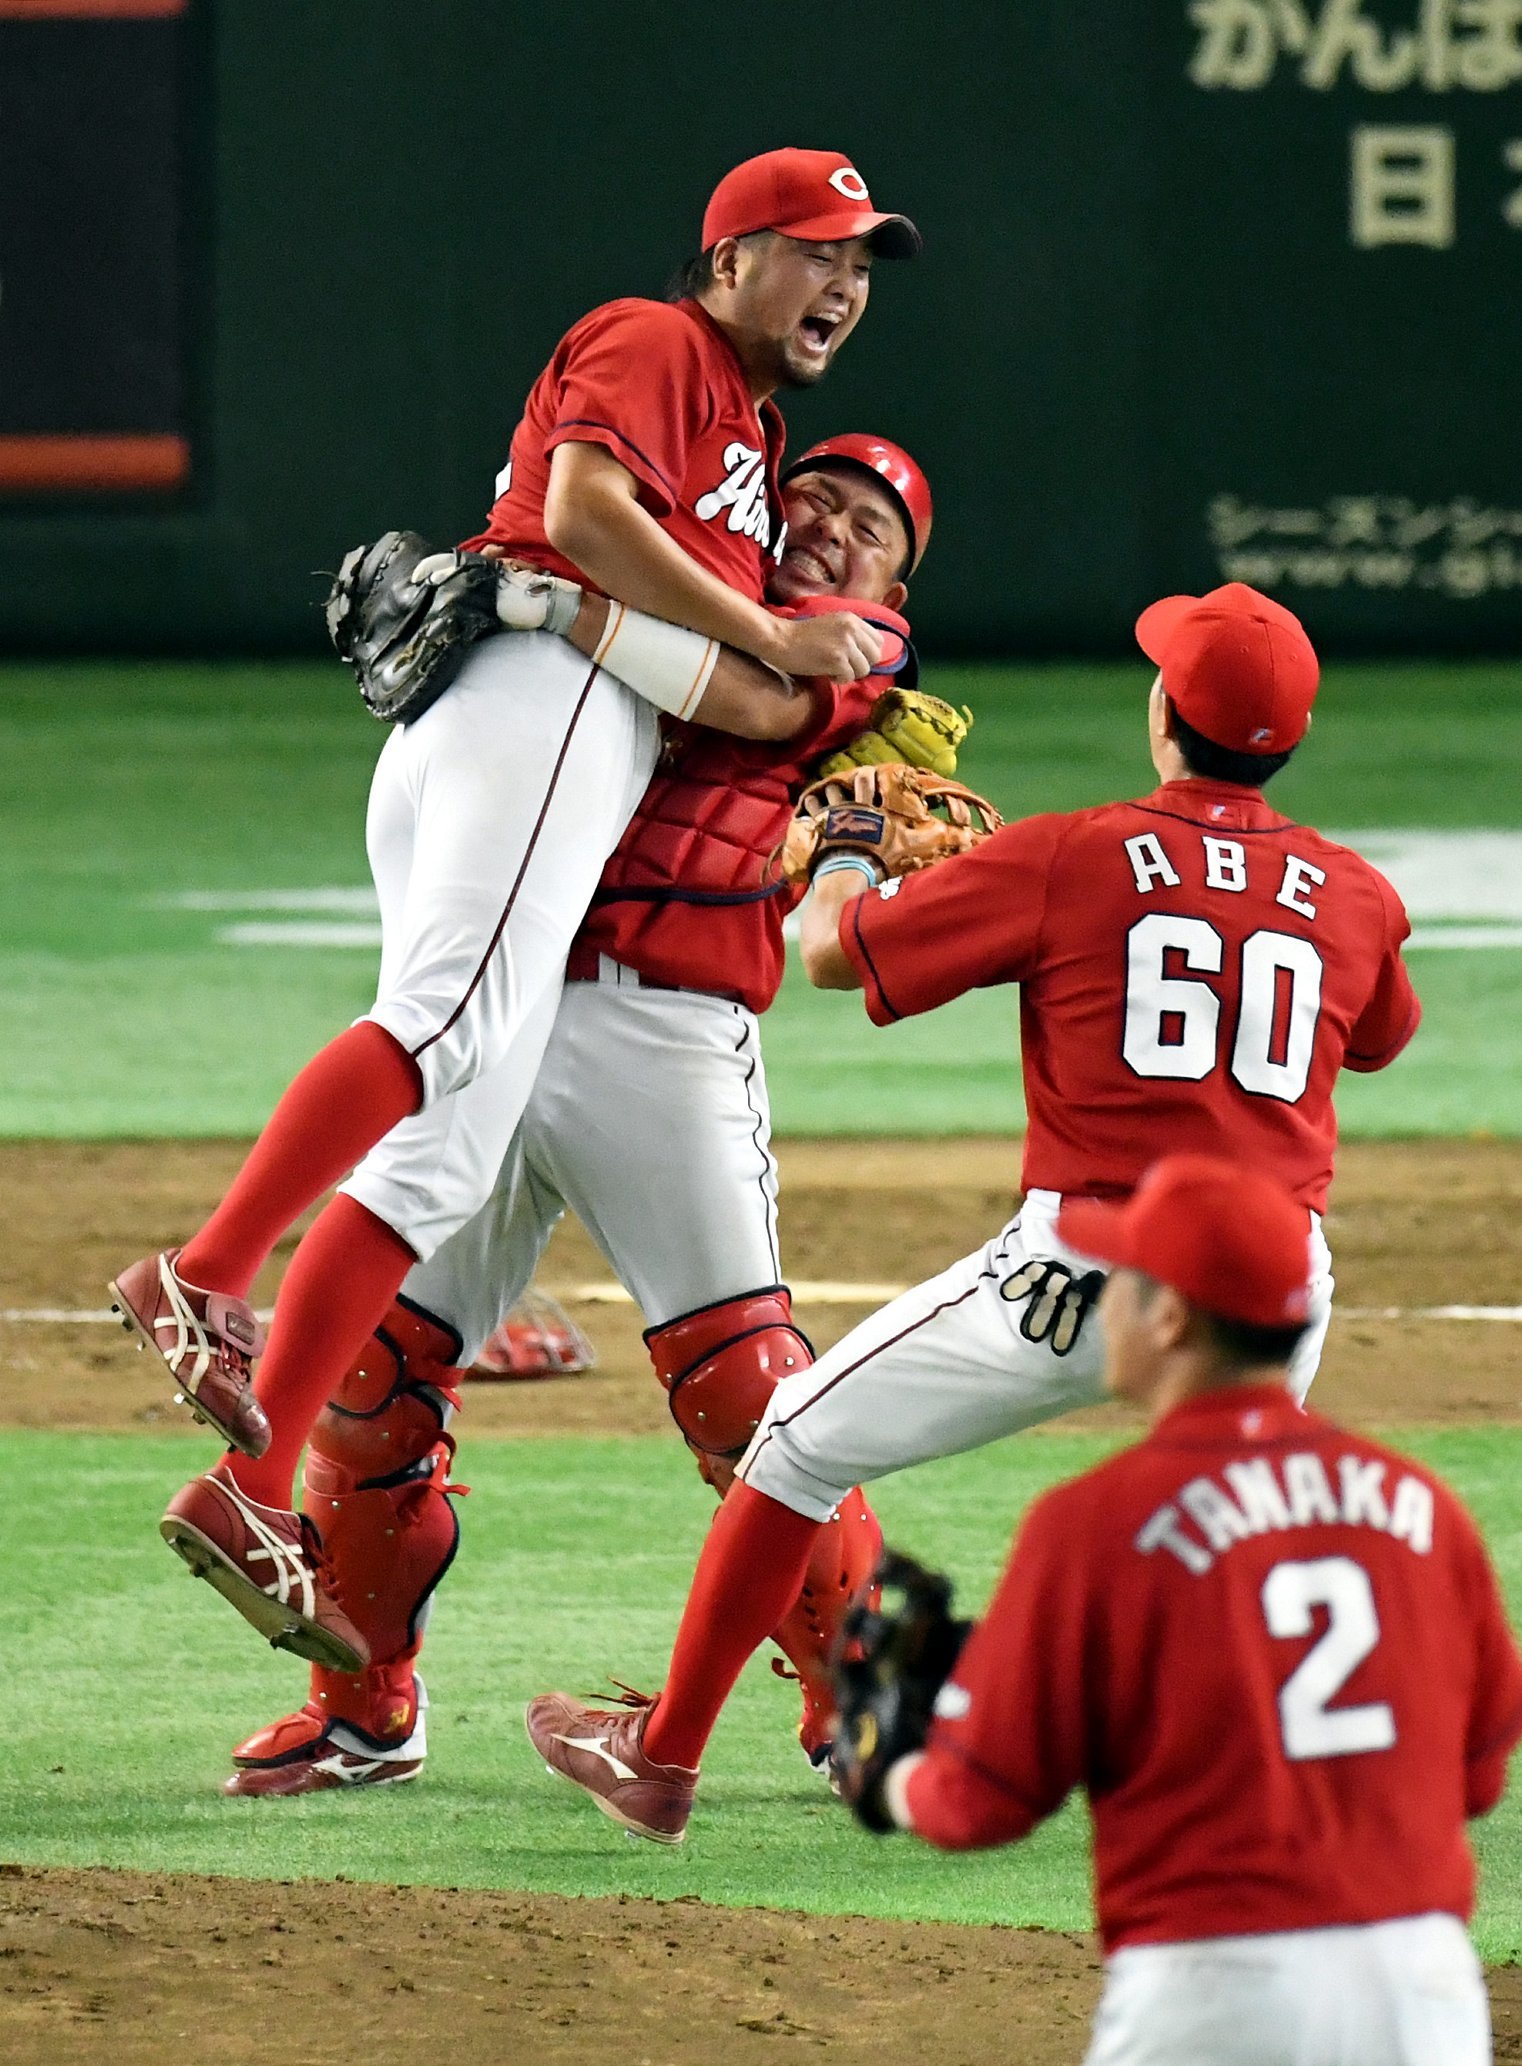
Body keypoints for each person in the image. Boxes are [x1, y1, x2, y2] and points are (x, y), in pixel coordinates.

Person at [109, 149, 919, 1668]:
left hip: (644, 967)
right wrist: (602, 602)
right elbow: (585, 509)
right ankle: (205, 1275)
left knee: (436, 1156)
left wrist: (580, 602)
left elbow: (745, 683)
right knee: (438, 1028)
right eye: (815, 253)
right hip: (535, 733)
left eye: (861, 268)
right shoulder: (664, 344)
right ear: (728, 258)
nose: (843, 286)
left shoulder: (801, 538)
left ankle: (250, 1482)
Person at [527, 579, 1425, 1844]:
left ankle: (660, 1755)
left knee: (788, 1445)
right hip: (1278, 1291)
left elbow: (835, 953)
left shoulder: (1072, 852)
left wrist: (839, 847)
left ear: (1163, 712)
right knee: (1238, 1512)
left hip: (1084, 1273)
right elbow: (1381, 1035)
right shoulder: (1356, 893)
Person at [223, 435, 940, 1794]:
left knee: (749, 1397)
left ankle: (867, 1696)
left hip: (659, 1030)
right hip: (499, 1007)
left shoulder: (840, 647)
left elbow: (723, 665)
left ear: (896, 583)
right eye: (818, 503)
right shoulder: (684, 576)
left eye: (873, 531)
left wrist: (532, 597)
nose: (836, 537)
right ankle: (360, 1705)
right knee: (371, 1382)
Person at [864, 1153, 1522, 2066]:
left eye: (1125, 1278)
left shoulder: (1095, 1522)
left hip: (1216, 1994)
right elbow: (1479, 1778)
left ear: (1169, 1316)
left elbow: (981, 1805)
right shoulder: (1422, 1506)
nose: (1107, 1298)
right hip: (1429, 1995)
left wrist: (890, 1774)